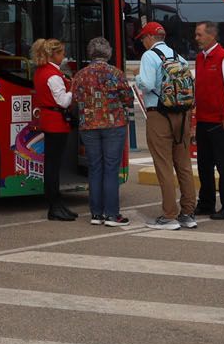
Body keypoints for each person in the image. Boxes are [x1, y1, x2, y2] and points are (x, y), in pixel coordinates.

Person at [134, 22, 197, 230]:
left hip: (159, 115)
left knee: (163, 165)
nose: (143, 42)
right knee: (184, 165)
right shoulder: (179, 57)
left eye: (144, 38)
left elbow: (148, 84)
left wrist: (137, 78)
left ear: (151, 37)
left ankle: (169, 215)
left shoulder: (149, 56)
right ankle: (188, 213)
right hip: (182, 115)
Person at [70, 36, 132, 227]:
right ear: (108, 53)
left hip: (88, 125)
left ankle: (96, 214)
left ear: (90, 53)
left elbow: (74, 99)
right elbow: (128, 98)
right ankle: (112, 214)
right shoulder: (116, 73)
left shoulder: (80, 75)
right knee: (111, 169)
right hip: (114, 125)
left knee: (95, 168)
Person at [193, 21, 224, 221]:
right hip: (204, 119)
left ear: (211, 35)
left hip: (220, 120)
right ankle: (206, 203)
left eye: (199, 34)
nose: (196, 38)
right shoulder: (200, 58)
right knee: (204, 164)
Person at [32, 38, 76, 221]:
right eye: (62, 53)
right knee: (53, 166)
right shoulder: (53, 76)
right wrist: (73, 88)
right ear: (54, 54)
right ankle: (55, 205)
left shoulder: (41, 72)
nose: (63, 56)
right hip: (56, 122)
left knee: (51, 164)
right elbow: (63, 101)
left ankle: (56, 204)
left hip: (48, 120)